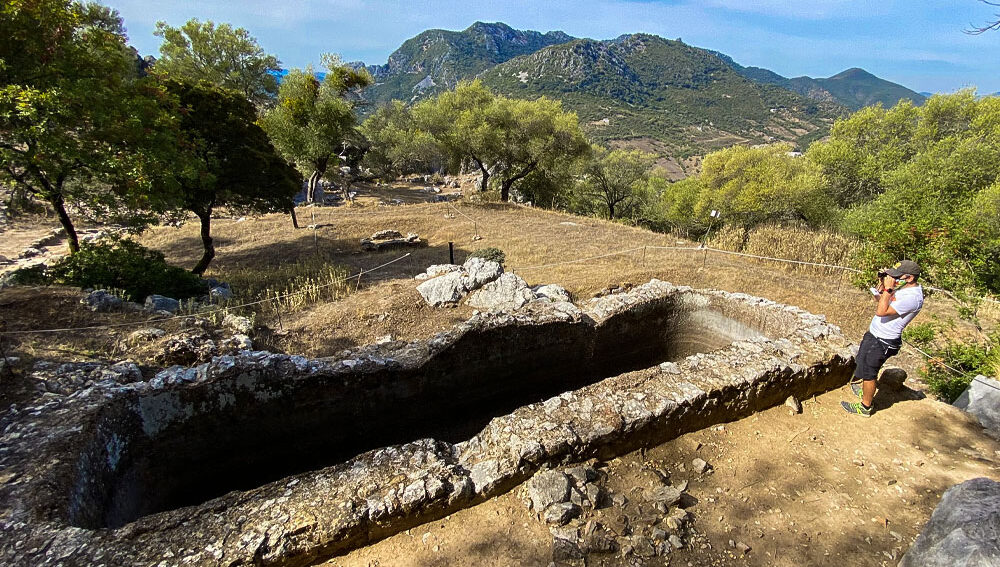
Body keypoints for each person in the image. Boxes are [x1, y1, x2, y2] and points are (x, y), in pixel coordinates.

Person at [842, 260, 924, 417]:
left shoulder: (912, 297)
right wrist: (882, 287)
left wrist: (888, 288)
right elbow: (881, 302)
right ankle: (867, 391)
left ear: (910, 278)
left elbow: (881, 311)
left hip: (883, 341)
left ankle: (866, 407)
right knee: (862, 362)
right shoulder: (905, 289)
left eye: (897, 276)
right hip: (875, 334)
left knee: (869, 372)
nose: (893, 278)